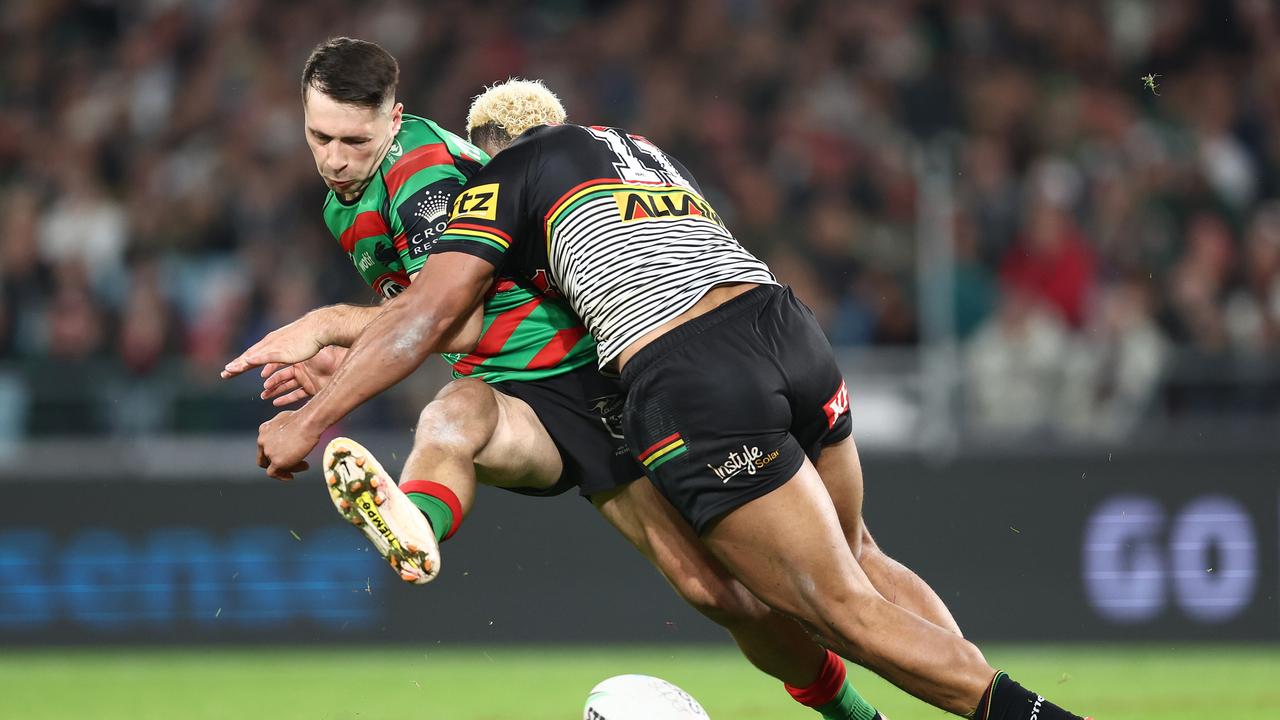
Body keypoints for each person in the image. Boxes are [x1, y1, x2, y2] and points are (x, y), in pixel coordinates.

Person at [244, 73, 1093, 720]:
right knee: (854, 557)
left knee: (836, 607)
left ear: (495, 148)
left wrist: (320, 373)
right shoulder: (638, 149)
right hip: (784, 326)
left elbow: (436, 314)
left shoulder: (513, 172)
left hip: (684, 369)